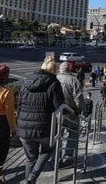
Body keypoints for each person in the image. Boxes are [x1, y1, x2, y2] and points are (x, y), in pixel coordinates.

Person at [16, 56, 65, 184]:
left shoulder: (26, 81)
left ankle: (29, 179)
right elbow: (59, 106)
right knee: (48, 149)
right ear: (53, 71)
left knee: (30, 158)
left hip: (24, 128)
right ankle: (33, 177)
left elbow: (19, 104)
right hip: (44, 128)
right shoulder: (54, 83)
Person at [56, 62, 85, 167]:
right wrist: (79, 110)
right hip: (71, 113)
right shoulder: (74, 80)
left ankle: (55, 157)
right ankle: (68, 156)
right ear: (69, 70)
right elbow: (79, 98)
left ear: (60, 69)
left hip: (56, 113)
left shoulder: (54, 79)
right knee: (73, 134)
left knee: (57, 135)